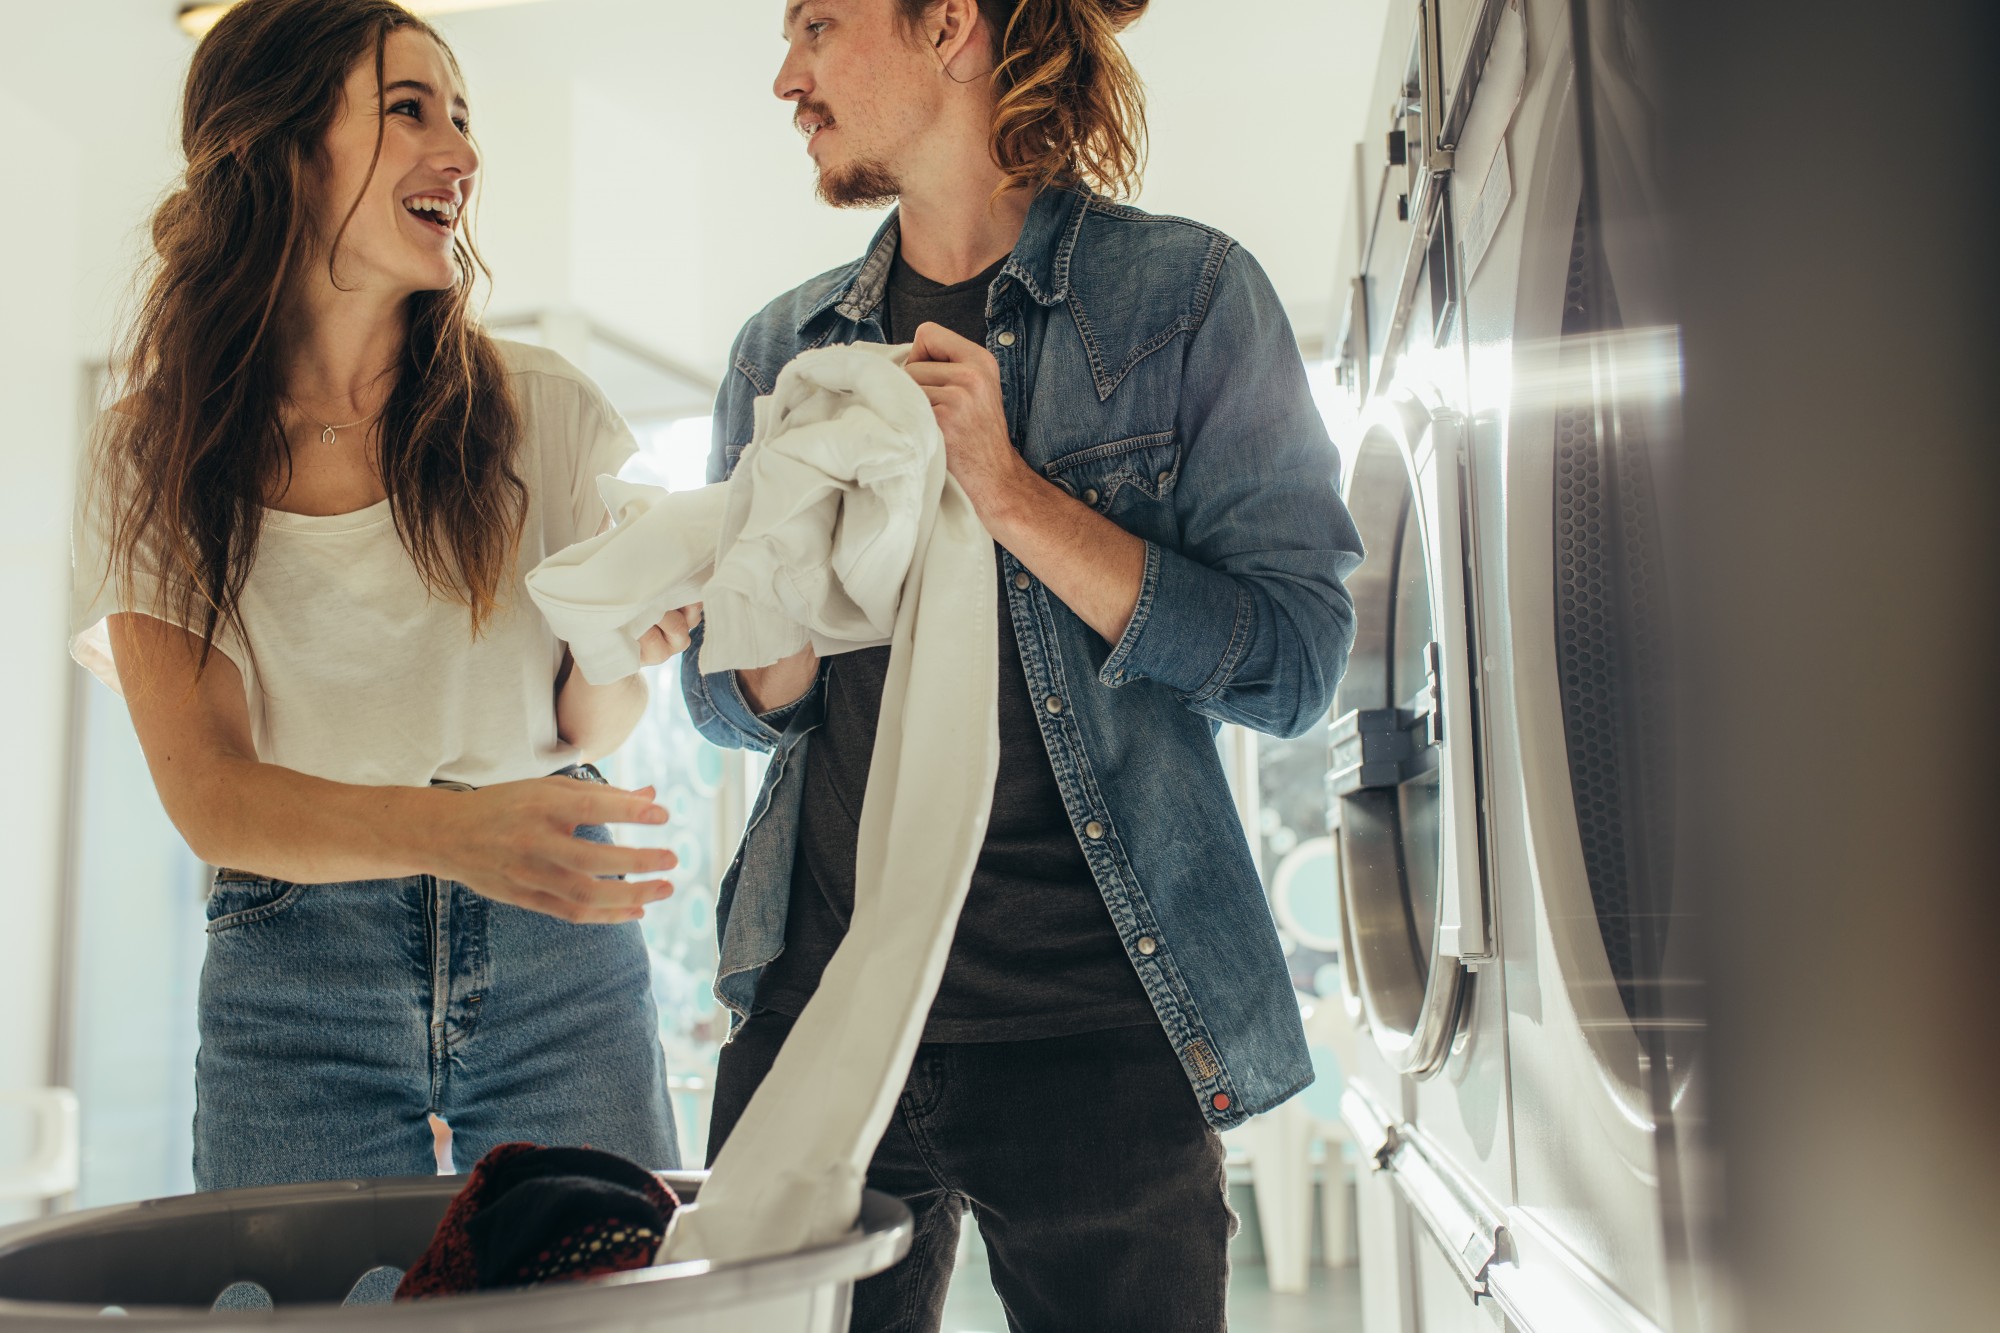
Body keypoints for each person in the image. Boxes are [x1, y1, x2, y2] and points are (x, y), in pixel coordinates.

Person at [684, 1, 1365, 1327]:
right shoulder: (786, 352)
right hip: (823, 1021)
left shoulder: (1191, 302)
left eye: (817, 25)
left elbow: (1296, 665)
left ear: (951, 26)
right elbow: (732, 710)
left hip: (1097, 1042)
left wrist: (1010, 495)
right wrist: (763, 625)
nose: (786, 75)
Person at [70, 0, 696, 1191]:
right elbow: (212, 795)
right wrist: (460, 833)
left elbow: (583, 726)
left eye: (461, 117)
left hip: (551, 936)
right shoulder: (151, 449)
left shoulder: (540, 406)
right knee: (303, 1317)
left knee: (597, 1305)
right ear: (279, 149)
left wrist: (628, 642)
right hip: (295, 959)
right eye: (408, 110)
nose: (459, 153)